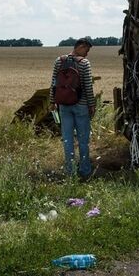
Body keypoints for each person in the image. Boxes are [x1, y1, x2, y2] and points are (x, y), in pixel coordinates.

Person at [51, 38, 95, 178]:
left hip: (64, 105)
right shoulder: (84, 63)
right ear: (80, 47)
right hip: (81, 107)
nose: (87, 54)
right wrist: (92, 105)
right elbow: (88, 87)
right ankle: (85, 170)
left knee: (67, 139)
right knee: (83, 140)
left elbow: (53, 83)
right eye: (86, 50)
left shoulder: (59, 60)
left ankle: (70, 171)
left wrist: (53, 101)